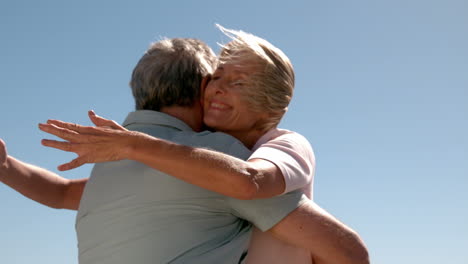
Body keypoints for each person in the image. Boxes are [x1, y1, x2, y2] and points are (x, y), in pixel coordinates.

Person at [2, 36, 369, 264]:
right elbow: (350, 253)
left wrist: (7, 168)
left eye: (235, 83)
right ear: (201, 93)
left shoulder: (114, 162)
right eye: (217, 79)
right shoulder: (212, 157)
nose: (220, 91)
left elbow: (61, 193)